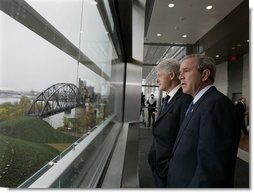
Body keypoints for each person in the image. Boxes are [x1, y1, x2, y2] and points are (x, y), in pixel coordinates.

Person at [167, 54, 241, 188]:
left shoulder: (216, 105)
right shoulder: (198, 103)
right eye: (180, 73)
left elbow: (211, 169)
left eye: (186, 71)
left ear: (205, 74)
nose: (180, 76)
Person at [147, 58, 192, 187]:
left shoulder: (185, 100)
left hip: (168, 169)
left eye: (159, 75)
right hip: (158, 164)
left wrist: (169, 167)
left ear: (171, 75)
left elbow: (185, 140)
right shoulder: (167, 98)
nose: (156, 80)